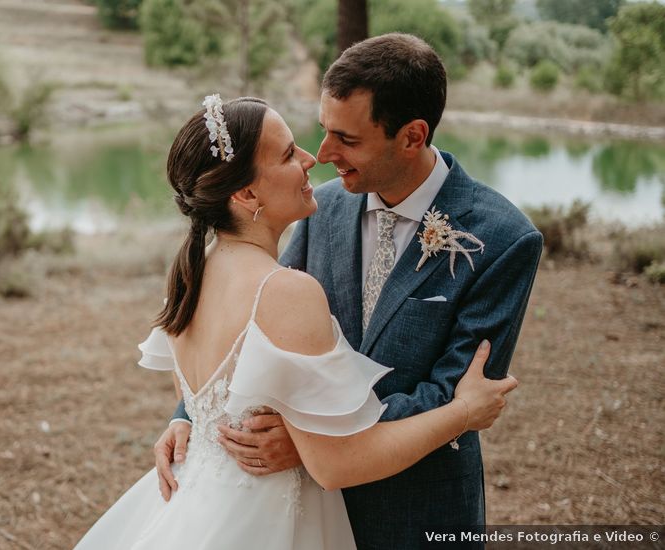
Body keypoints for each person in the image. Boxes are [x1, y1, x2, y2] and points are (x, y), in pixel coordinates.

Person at [73, 93, 518, 550]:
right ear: (246, 194)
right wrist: (465, 412)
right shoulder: (286, 290)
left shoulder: (191, 271)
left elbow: (206, 397)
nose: (311, 158)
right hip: (265, 522)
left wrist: (188, 422)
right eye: (288, 154)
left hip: (198, 504)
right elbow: (334, 465)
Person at [155, 34, 543, 549]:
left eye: (348, 139)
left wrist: (313, 439)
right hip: (297, 511)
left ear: (411, 135)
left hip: (413, 509)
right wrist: (193, 417)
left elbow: (457, 388)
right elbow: (255, 328)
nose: (323, 154)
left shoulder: (501, 237)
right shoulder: (323, 207)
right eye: (323, 131)